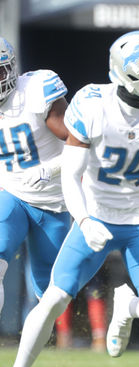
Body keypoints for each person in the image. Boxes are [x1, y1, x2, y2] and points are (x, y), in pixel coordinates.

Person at [0, 30, 139, 367]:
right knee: (52, 299)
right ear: (131, 75)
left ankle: (125, 305)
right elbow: (78, 170)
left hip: (121, 214)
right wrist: (84, 219)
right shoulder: (94, 104)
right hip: (70, 206)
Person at [0, 37, 70, 326]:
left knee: (52, 298)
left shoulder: (37, 89)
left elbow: (82, 145)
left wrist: (49, 169)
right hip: (12, 193)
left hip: (53, 202)